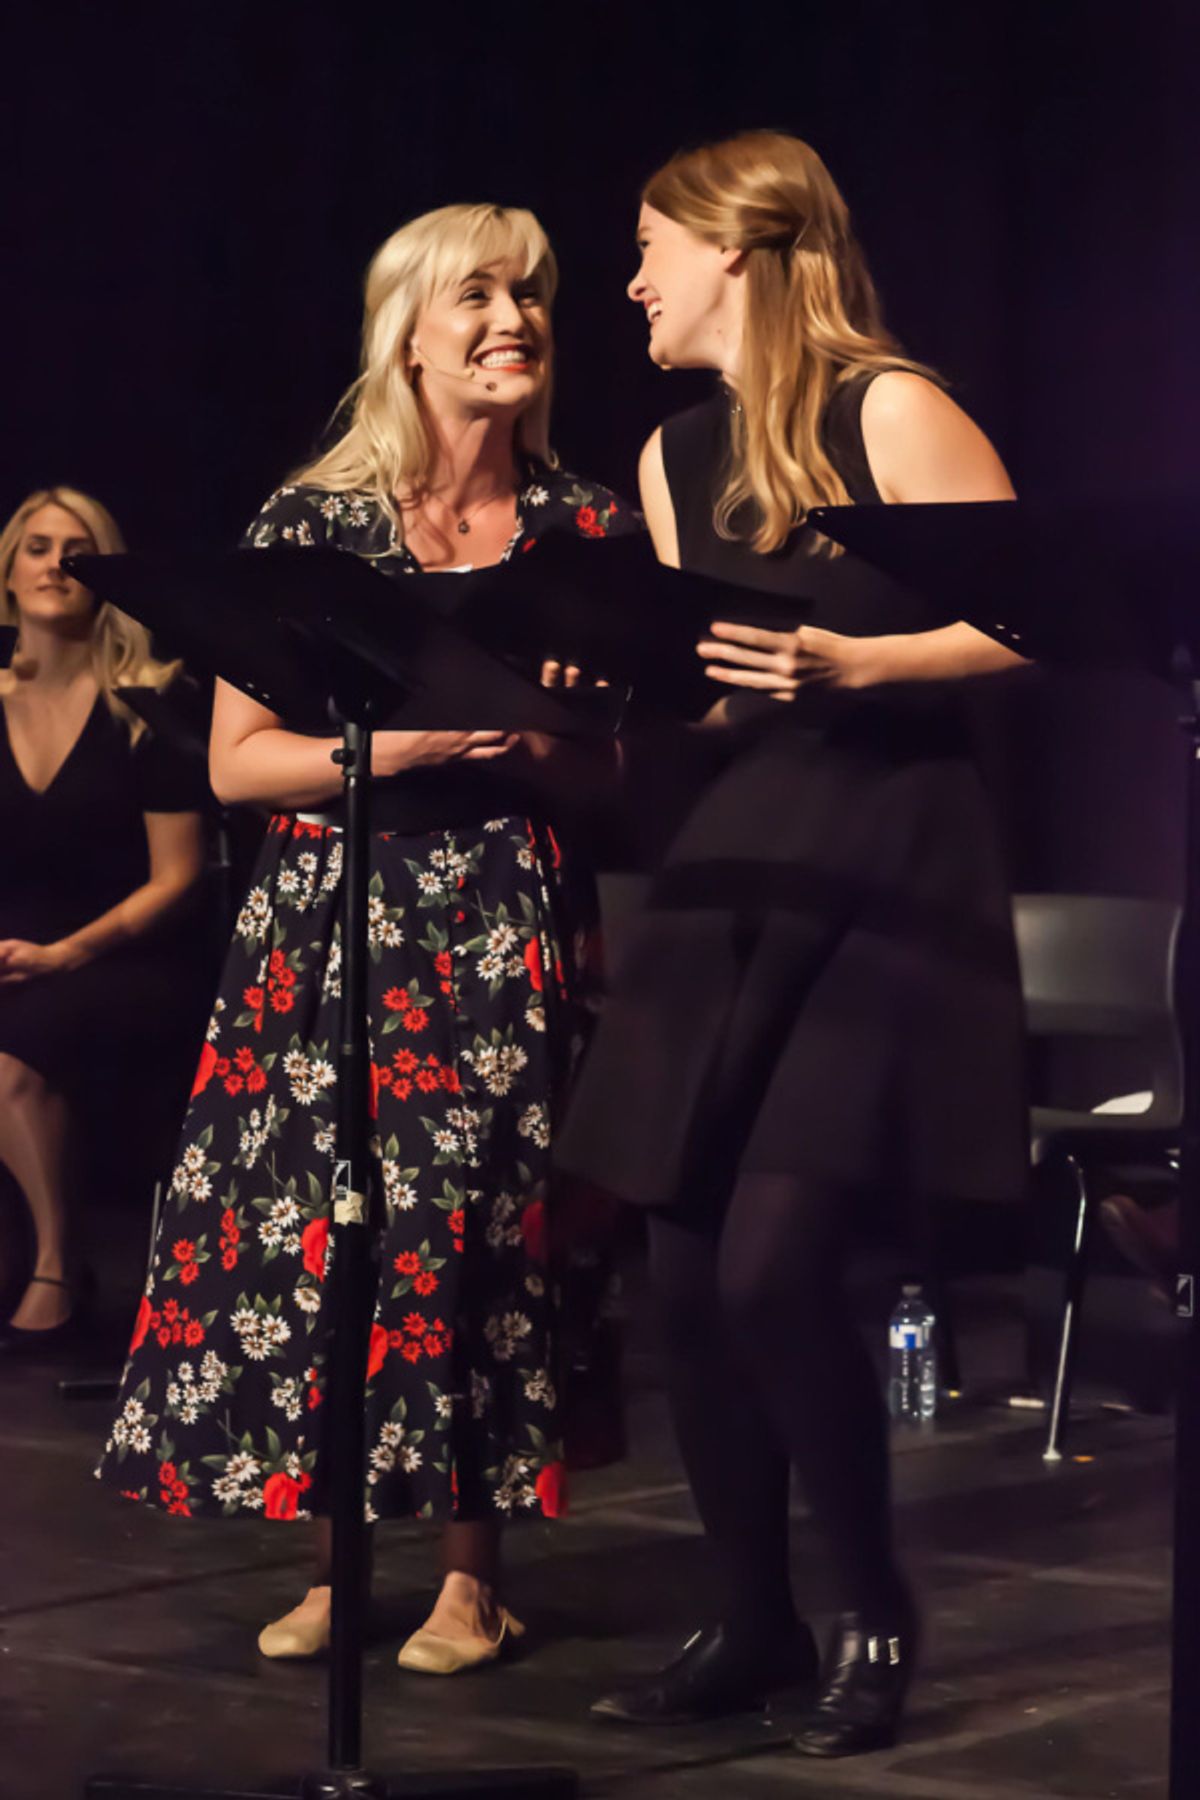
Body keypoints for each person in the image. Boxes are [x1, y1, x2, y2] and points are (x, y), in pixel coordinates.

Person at [96, 202, 638, 1676]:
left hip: (499, 923)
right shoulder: (311, 526)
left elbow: (608, 783)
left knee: (481, 1243)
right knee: (333, 1240)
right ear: (408, 331)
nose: (514, 316)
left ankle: (474, 1580)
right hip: (330, 928)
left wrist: (531, 736)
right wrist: (404, 746)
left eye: (530, 294)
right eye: (478, 295)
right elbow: (236, 766)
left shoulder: (584, 525)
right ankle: (339, 1566)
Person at [557, 131, 1030, 1756]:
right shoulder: (675, 453)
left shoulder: (887, 407)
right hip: (737, 856)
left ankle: (874, 1608)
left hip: (882, 860)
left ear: (739, 250)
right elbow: (706, 677)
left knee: (774, 1265)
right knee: (683, 1274)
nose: (629, 286)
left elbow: (1036, 615)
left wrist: (857, 667)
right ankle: (748, 1616)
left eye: (647, 251)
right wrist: (597, 675)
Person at [0, 488, 207, 1347]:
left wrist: (65, 955)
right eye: (38, 547)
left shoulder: (150, 702)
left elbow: (177, 879)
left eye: (77, 551)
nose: (56, 565)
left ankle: (58, 1261)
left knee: (9, 1049)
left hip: (123, 953)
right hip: (11, 948)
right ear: (9, 574)